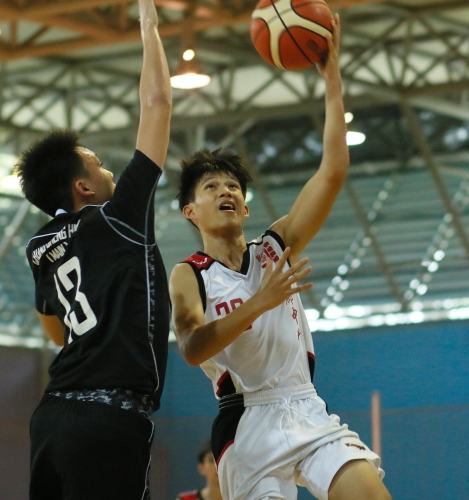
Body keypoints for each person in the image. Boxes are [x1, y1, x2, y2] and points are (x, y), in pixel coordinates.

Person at [169, 15, 391, 500]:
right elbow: (190, 349)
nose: (225, 190)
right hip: (246, 421)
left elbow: (332, 171)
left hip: (307, 407)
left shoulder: (275, 246)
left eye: (233, 186)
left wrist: (331, 78)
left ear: (245, 206)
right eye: (212, 187)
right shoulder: (190, 274)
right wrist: (259, 303)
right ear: (191, 211)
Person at [16, 0, 172, 498]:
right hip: (111, 415)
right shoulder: (119, 216)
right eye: (98, 164)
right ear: (83, 188)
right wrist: (149, 24)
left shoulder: (39, 246)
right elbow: (158, 104)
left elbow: (53, 323)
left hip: (51, 416)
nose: (108, 170)